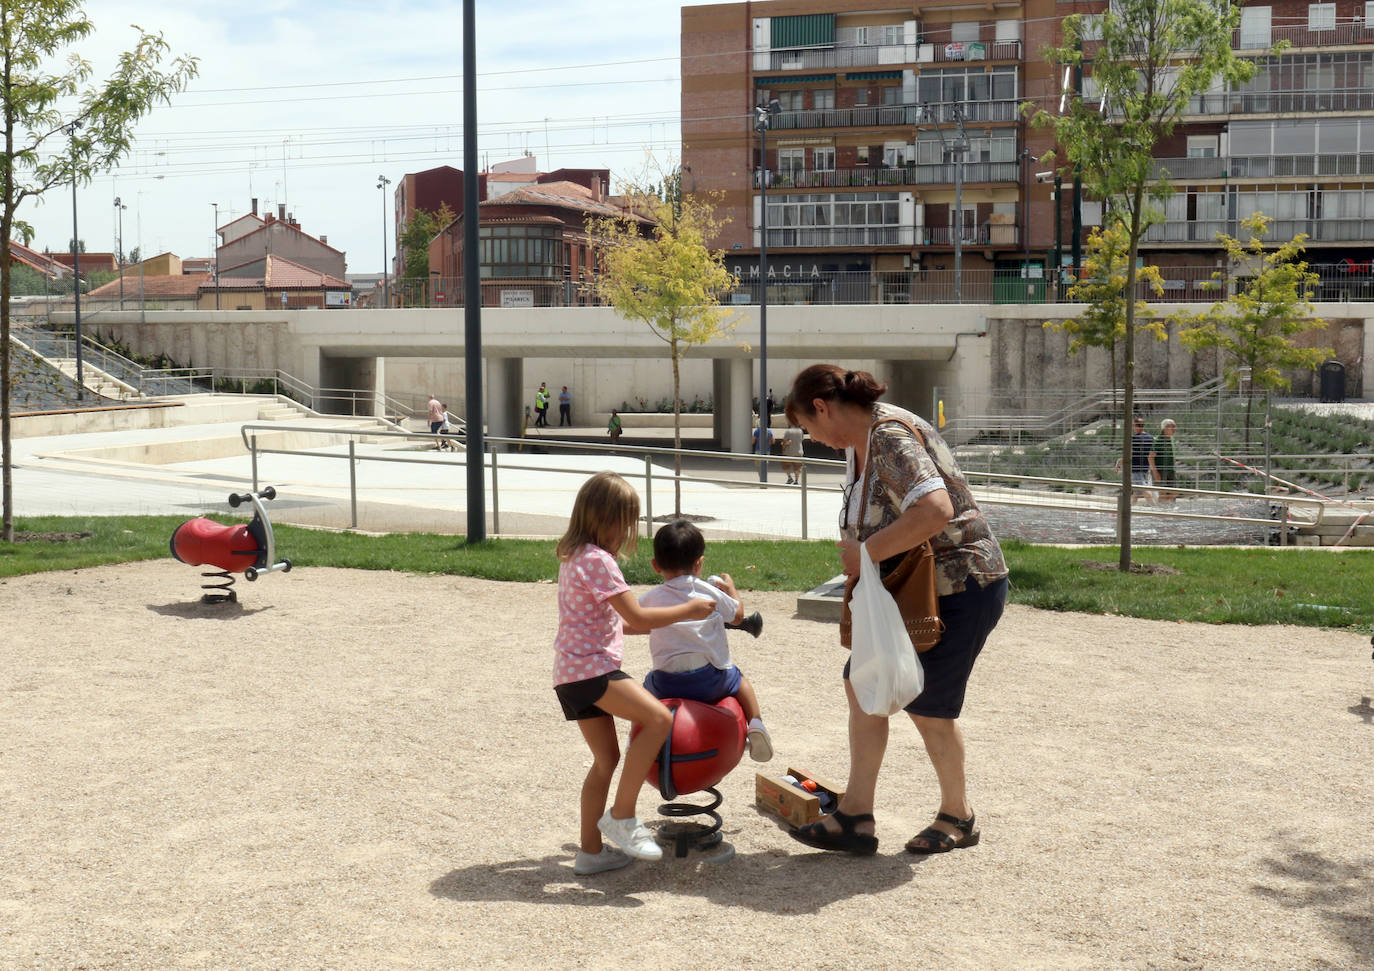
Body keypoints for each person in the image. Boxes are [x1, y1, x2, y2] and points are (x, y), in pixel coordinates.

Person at [783, 365, 1008, 857]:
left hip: (959, 586)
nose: (812, 438)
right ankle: (856, 815)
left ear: (821, 407)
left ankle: (958, 816)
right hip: (914, 589)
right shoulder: (863, 439)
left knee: (928, 708)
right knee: (863, 683)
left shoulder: (886, 437)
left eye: (808, 426)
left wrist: (866, 552)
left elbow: (934, 510)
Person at [553, 472, 715, 875]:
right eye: (625, 521)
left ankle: (590, 852)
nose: (627, 531)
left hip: (570, 675)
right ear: (605, 518)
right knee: (659, 718)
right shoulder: (599, 560)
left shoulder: (574, 557)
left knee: (606, 760)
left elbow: (623, 623)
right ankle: (622, 815)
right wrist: (690, 611)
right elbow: (638, 615)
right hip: (593, 671)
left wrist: (674, 623)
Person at [638, 519, 773, 762]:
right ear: (699, 563)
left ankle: (636, 739)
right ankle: (757, 724)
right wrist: (731, 590)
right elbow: (737, 616)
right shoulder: (707, 591)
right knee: (740, 679)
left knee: (645, 686)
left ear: (656, 565)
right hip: (710, 680)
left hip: (666, 683)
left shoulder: (650, 599)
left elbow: (637, 619)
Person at [1115, 416, 1156, 503]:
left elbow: (1128, 454)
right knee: (1136, 491)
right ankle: (1131, 508)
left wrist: (1118, 465)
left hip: (1136, 468)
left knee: (1144, 490)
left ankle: (1155, 508)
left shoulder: (1134, 439)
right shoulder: (1151, 438)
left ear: (1135, 426)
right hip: (1146, 467)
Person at [1150, 418, 1179, 502]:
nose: (1175, 429)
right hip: (1161, 471)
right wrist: (1155, 473)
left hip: (1171, 471)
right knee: (1163, 494)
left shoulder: (1171, 439)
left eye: (1175, 427)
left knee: (1174, 492)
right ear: (1165, 428)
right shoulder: (1159, 441)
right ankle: (1161, 510)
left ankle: (1163, 508)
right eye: (1173, 427)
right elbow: (1150, 457)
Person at [780, 420, 805, 485]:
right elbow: (801, 439)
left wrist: (783, 448)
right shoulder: (800, 431)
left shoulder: (788, 431)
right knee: (797, 467)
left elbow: (785, 442)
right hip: (799, 451)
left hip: (788, 452)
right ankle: (796, 481)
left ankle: (789, 477)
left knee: (786, 465)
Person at [752, 418, 775, 482]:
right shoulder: (770, 431)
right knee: (765, 465)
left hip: (758, 450)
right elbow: (773, 441)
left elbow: (753, 441)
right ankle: (764, 478)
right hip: (767, 450)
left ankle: (761, 478)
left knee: (758, 465)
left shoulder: (756, 431)